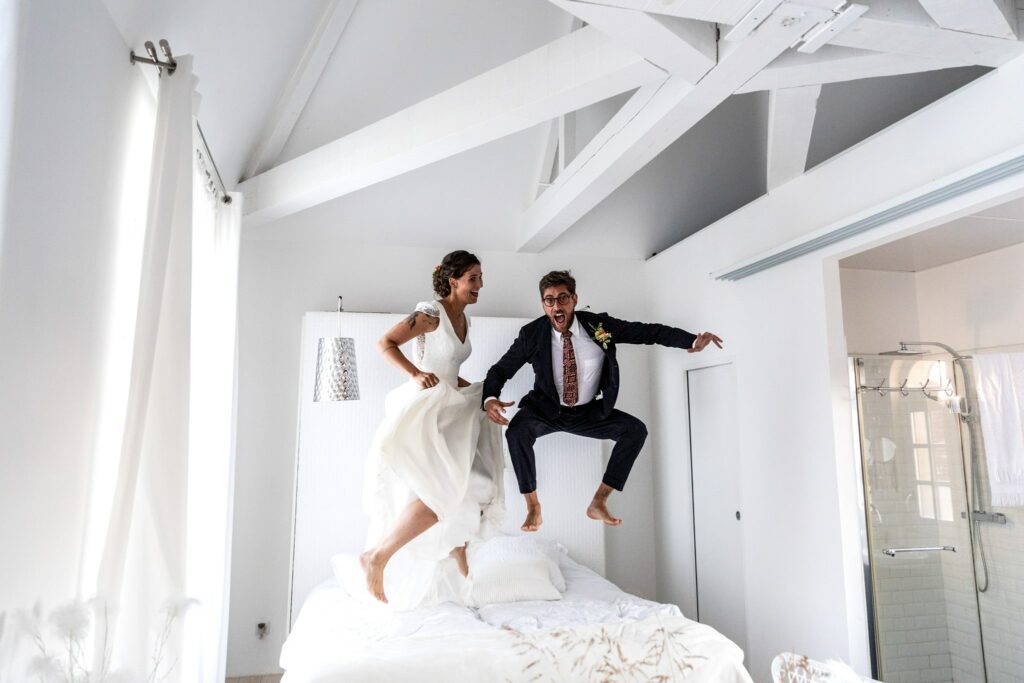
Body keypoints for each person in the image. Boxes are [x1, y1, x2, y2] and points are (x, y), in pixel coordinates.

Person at [482, 270, 722, 532]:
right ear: (543, 305)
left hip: (587, 413)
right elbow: (500, 370)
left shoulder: (598, 327)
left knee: (635, 431)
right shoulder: (532, 334)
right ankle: (533, 507)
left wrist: (691, 340)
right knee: (517, 431)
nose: (556, 305)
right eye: (549, 300)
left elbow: (647, 332)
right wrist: (490, 399)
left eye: (562, 298)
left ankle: (599, 501)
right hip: (545, 410)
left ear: (574, 299)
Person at [360, 250, 505, 607]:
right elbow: (385, 343)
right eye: (473, 278)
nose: (480, 285)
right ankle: (378, 555)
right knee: (440, 487)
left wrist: (482, 394)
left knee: (477, 481)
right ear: (453, 281)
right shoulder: (430, 313)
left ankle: (457, 547)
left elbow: (452, 369)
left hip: (451, 408)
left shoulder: (465, 319)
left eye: (481, 277)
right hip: (426, 409)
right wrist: (415, 373)